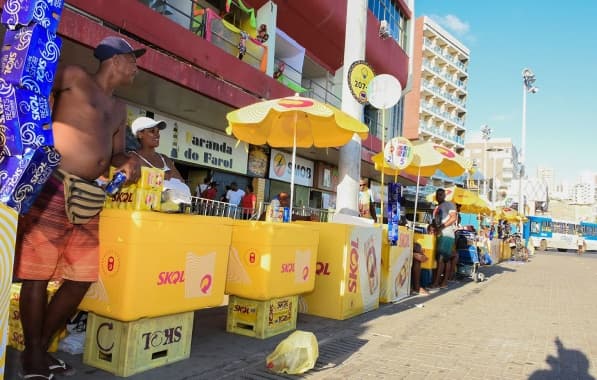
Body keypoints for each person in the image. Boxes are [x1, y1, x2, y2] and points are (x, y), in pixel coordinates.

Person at [15, 36, 145, 378]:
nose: (136, 67)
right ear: (115, 60)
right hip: (53, 183)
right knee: (36, 274)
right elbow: (32, 94)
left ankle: (40, 349)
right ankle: (32, 356)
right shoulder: (73, 76)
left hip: (91, 195)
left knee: (81, 278)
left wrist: (128, 161)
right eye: (133, 60)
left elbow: (114, 152)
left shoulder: (119, 109)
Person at [430, 188, 458, 289]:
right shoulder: (437, 207)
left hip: (446, 234)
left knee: (442, 259)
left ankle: (439, 283)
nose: (439, 196)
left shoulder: (449, 204)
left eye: (441, 194)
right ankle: (441, 282)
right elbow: (435, 221)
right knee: (443, 259)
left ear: (445, 195)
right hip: (440, 235)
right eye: (438, 194)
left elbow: (453, 217)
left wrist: (442, 226)